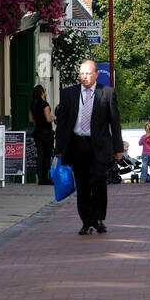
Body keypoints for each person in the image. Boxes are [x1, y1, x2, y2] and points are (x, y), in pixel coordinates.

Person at [54, 60, 124, 234]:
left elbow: (115, 123)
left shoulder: (107, 93)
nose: (84, 77)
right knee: (83, 184)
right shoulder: (68, 93)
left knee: (98, 181)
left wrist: (118, 148)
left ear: (96, 74)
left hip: (99, 145)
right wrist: (59, 148)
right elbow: (62, 124)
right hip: (77, 144)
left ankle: (99, 218)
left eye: (88, 73)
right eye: (82, 74)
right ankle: (86, 221)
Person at [29, 84, 56, 185]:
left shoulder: (33, 104)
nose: (46, 92)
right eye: (44, 90)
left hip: (37, 132)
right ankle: (45, 178)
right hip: (46, 133)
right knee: (47, 156)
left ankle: (40, 178)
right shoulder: (45, 104)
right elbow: (48, 119)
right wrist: (54, 117)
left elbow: (31, 119)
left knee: (39, 156)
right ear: (42, 93)